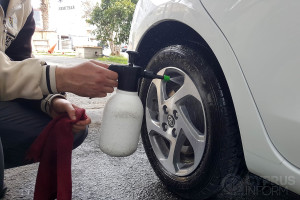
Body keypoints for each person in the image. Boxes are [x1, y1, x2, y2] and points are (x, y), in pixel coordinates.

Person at [0, 0, 118, 198]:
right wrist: (60, 77)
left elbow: (17, 63)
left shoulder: (21, 6)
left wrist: (50, 101)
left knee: (64, 127)